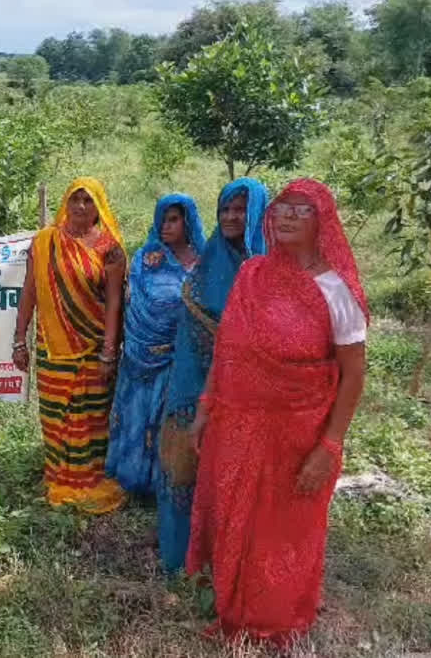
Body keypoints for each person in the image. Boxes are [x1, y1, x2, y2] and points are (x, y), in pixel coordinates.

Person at [187, 179, 368, 646]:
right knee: (235, 520)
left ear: (322, 222)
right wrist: (206, 407)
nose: (287, 215)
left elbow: (352, 376)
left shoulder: (335, 290)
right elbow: (229, 349)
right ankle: (234, 613)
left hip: (300, 435)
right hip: (237, 424)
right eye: (283, 206)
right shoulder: (253, 274)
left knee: (284, 532)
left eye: (302, 210)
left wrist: (329, 445)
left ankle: (276, 624)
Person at [156, 177, 268, 573]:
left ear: (258, 213)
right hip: (192, 384)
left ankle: (227, 561)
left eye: (240, 208)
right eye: (225, 209)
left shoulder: (269, 271)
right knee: (183, 467)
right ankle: (180, 557)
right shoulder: (208, 263)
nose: (231, 216)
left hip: (247, 394)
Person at [12, 177, 127, 514]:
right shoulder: (45, 242)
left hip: (93, 351)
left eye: (88, 201)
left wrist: (109, 351)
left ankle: (88, 480)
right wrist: (20, 339)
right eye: (75, 199)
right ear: (66, 201)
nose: (80, 207)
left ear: (98, 206)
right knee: (54, 417)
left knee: (91, 419)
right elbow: (29, 291)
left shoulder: (111, 249)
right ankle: (58, 477)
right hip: (53, 351)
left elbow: (114, 305)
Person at [106, 194, 204, 496]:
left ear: (187, 222)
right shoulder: (147, 260)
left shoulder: (204, 262)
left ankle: (167, 481)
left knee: (170, 420)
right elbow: (133, 304)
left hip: (184, 357)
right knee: (136, 414)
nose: (165, 225)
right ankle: (132, 478)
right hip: (142, 355)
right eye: (162, 218)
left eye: (173, 219)